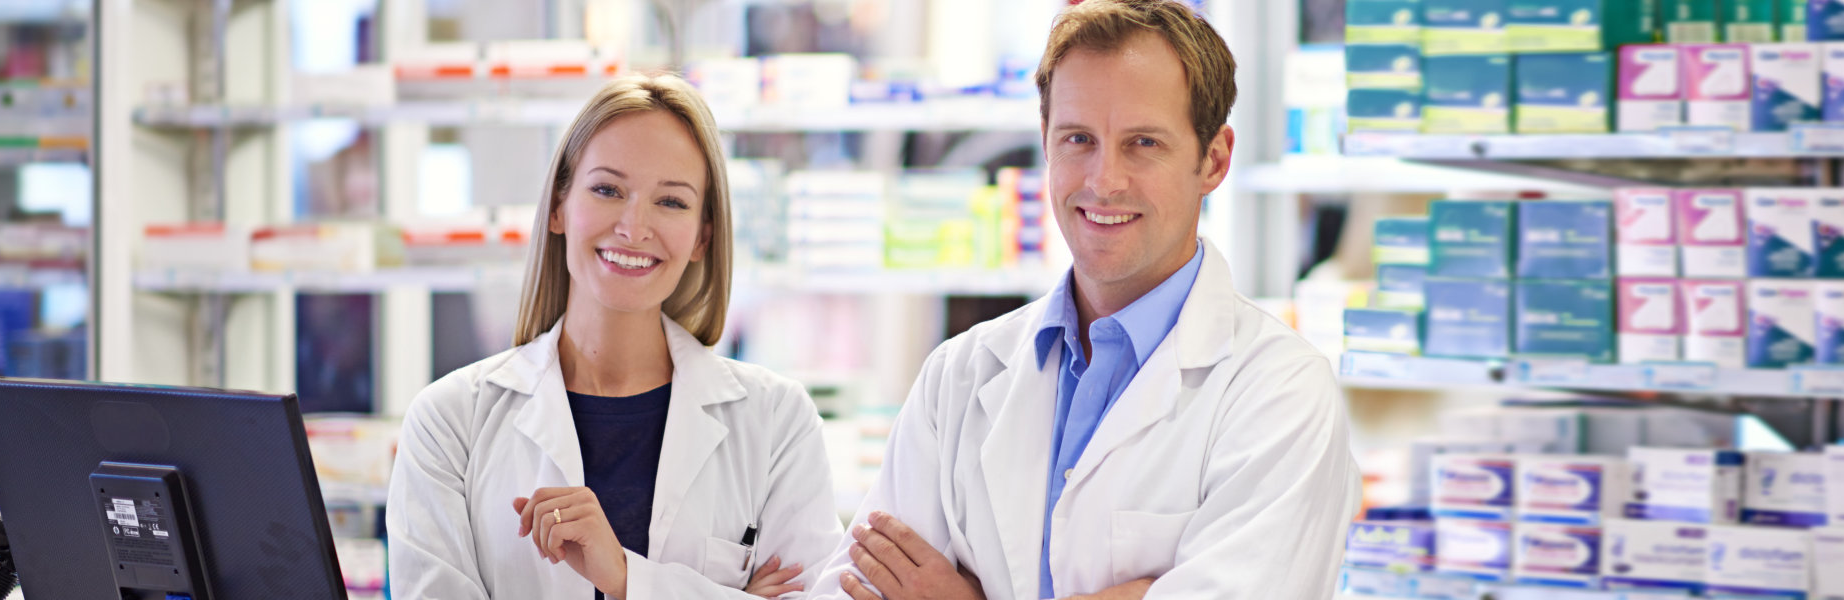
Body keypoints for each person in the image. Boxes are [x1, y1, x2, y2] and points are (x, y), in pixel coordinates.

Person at [806, 1, 1360, 599]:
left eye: (1143, 143)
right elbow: (852, 589)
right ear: (1045, 143)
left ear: (1214, 160)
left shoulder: (1279, 392)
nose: (1104, 180)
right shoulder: (959, 377)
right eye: (1078, 139)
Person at [388, 73, 841, 600]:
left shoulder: (775, 421)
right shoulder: (449, 424)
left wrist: (627, 578)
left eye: (670, 202)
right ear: (558, 207)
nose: (633, 226)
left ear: (702, 237)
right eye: (607, 189)